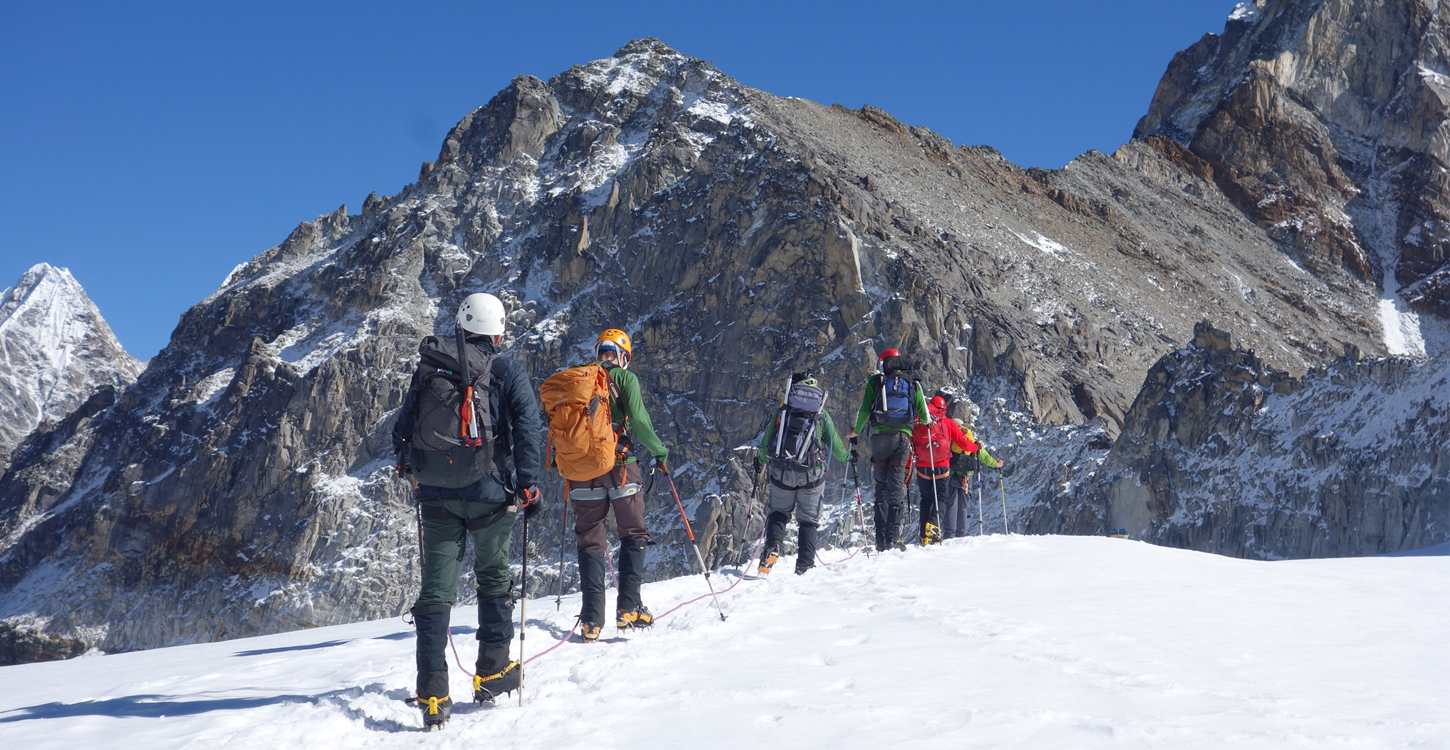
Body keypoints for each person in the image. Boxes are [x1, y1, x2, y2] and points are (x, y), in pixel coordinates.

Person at [391, 292, 543, 728]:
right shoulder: (507, 370)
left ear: (460, 324)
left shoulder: (429, 369)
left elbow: (402, 430)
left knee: (436, 591)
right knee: (493, 577)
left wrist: (411, 468)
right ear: (497, 331)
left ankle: (434, 695)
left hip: (435, 493)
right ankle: (492, 673)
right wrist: (529, 483)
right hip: (491, 493)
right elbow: (529, 427)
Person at [566, 329, 670, 641]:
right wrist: (659, 452)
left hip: (582, 471)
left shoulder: (578, 379)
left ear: (598, 352)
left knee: (590, 539)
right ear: (622, 356)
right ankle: (629, 608)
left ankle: (591, 621)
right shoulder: (625, 379)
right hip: (621, 466)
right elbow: (637, 420)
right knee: (633, 533)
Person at [753, 372, 852, 575]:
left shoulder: (783, 410)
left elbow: (767, 442)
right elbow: (836, 445)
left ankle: (771, 549)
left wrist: (760, 462)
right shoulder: (821, 413)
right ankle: (805, 566)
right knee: (808, 520)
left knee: (779, 513)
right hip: (811, 476)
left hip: (782, 472)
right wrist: (849, 459)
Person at [847, 348, 931, 551]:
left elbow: (865, 409)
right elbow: (925, 416)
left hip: (879, 439)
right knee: (896, 487)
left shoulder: (876, 382)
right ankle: (893, 538)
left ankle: (881, 540)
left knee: (881, 488)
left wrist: (855, 432)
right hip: (902, 439)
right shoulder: (913, 383)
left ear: (883, 363)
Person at [911, 395, 978, 544]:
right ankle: (934, 529)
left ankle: (924, 534)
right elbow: (963, 443)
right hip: (942, 466)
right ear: (943, 410)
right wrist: (976, 447)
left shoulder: (919, 422)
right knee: (941, 498)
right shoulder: (947, 422)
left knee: (926, 499)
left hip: (923, 466)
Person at [944, 401, 1003, 539]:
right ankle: (961, 534)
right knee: (963, 506)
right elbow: (983, 456)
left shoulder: (949, 438)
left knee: (951, 504)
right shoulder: (971, 439)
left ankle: (949, 534)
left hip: (951, 474)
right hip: (966, 477)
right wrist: (996, 464)